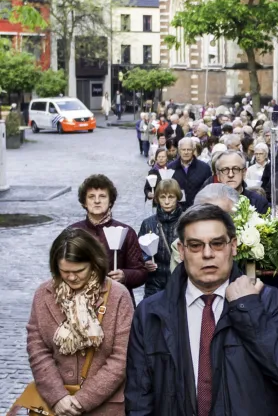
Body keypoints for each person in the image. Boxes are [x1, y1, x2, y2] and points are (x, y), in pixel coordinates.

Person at [125, 204, 278, 416]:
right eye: (196, 246)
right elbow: (139, 397)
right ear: (181, 251)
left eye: (217, 244)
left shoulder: (263, 300)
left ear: (234, 246)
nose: (208, 254)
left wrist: (247, 307)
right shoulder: (151, 312)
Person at [24, 228, 133, 416]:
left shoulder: (118, 295)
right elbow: (37, 348)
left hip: (106, 407)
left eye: (79, 271)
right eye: (64, 271)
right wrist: (58, 396)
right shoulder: (44, 294)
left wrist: (83, 400)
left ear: (94, 264)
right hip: (54, 407)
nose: (72, 277)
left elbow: (121, 357)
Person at [70, 174, 148, 302]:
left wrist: (125, 275)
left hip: (117, 301)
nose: (97, 201)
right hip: (81, 301)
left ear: (110, 201)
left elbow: (141, 272)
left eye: (102, 196)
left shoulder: (126, 232)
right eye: (91, 197)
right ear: (84, 202)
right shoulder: (73, 232)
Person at [138, 179, 183, 298]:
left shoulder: (186, 222)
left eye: (171, 197)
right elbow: (139, 252)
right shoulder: (148, 223)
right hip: (154, 283)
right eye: (163, 197)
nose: (167, 202)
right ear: (157, 198)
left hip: (181, 282)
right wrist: (145, 261)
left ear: (177, 197)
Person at [215, 150, 269, 214]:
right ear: (218, 175)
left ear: (244, 173)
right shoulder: (210, 204)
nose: (230, 175)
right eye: (225, 170)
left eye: (236, 169)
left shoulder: (259, 202)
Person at [169, 137, 212, 210]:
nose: (186, 152)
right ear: (179, 151)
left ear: (193, 150)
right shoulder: (170, 168)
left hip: (198, 210)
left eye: (189, 149)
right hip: (176, 210)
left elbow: (209, 190)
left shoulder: (205, 168)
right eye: (183, 149)